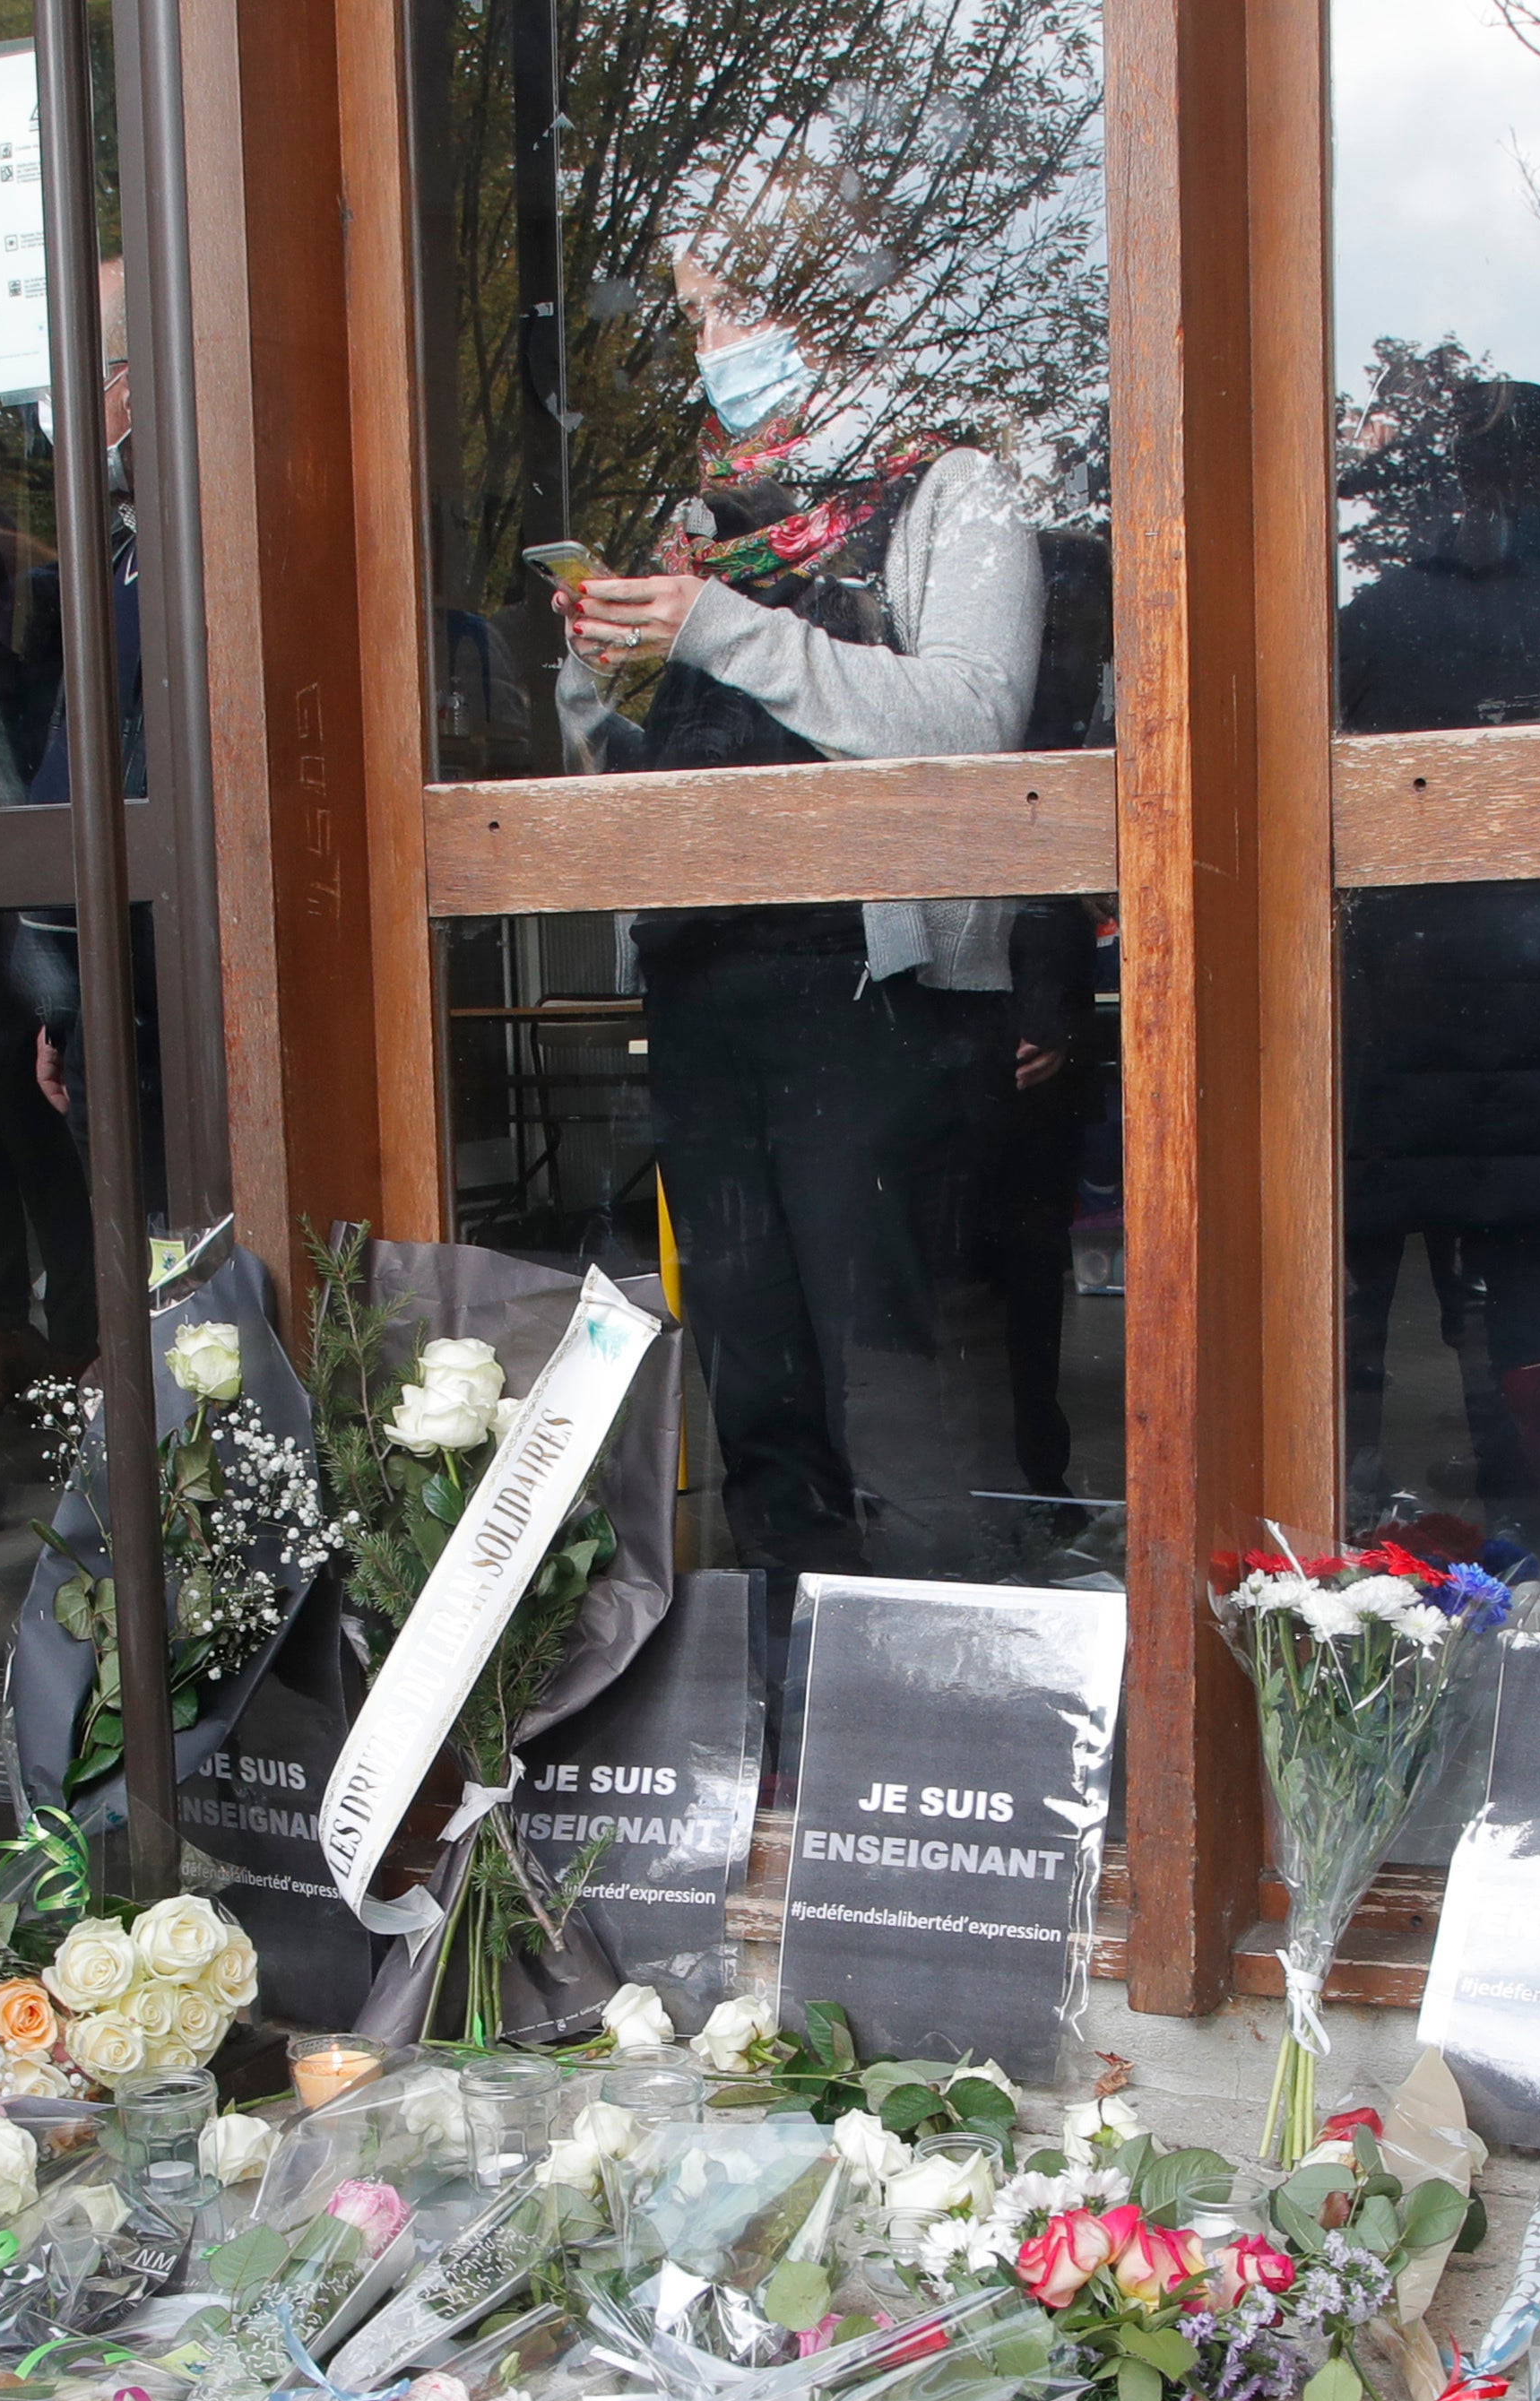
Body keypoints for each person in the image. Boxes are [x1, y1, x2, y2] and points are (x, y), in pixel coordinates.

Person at [556, 260, 1040, 1581]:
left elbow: (972, 725)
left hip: (879, 1002)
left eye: (736, 312)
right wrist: (597, 677)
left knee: (887, 1377)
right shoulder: (699, 532)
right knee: (753, 1372)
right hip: (703, 983)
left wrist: (719, 628)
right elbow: (624, 783)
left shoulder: (957, 493)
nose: (714, 345)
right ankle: (784, 1683)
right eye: (699, 320)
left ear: (835, 319)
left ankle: (931, 1693)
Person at [1333, 380, 1540, 1550]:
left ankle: (1346, 1503)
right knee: (1511, 1292)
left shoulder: (1370, 619)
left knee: (1362, 1285)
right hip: (1535, 992)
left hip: (1387, 1003)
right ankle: (1529, 1526)